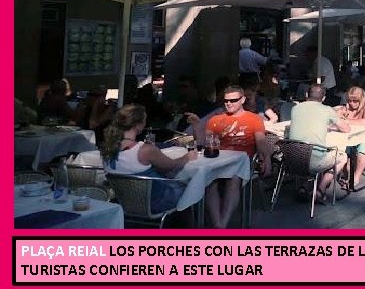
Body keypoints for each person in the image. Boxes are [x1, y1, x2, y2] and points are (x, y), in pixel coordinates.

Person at [189, 85, 271, 228]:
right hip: (219, 161)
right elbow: (205, 143)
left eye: (233, 100)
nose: (229, 103)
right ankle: (219, 226)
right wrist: (196, 126)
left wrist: (266, 159)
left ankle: (221, 225)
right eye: (226, 101)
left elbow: (261, 142)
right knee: (209, 181)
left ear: (243, 100)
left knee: (233, 179)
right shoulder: (215, 119)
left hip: (243, 162)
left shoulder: (254, 119)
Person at [102, 104, 197, 213]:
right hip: (155, 202)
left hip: (125, 203)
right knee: (195, 187)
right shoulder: (145, 150)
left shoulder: (107, 150)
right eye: (144, 120)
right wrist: (187, 157)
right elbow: (171, 166)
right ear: (138, 124)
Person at [289, 84, 349, 203]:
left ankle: (305, 186)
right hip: (314, 161)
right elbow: (346, 129)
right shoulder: (327, 110)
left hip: (292, 159)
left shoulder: (295, 108)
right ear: (324, 98)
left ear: (306, 95)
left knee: (317, 151)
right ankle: (320, 191)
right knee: (341, 156)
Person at [333, 86, 365, 190]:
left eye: (355, 101)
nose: (352, 103)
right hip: (350, 139)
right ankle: (345, 171)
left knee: (364, 147)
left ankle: (355, 178)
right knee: (339, 147)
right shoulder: (346, 107)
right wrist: (338, 113)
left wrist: (346, 121)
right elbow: (333, 119)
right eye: (349, 100)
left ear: (361, 99)